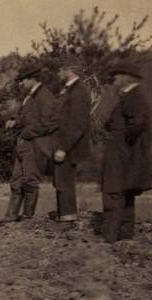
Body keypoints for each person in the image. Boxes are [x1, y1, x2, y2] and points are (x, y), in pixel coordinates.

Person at [0, 61, 61, 226]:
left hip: (36, 145)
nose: (21, 83)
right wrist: (14, 121)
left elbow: (48, 124)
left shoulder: (45, 96)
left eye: (23, 79)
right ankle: (11, 216)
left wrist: (25, 132)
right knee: (16, 180)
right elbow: (24, 116)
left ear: (32, 79)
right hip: (24, 144)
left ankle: (27, 217)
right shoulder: (30, 97)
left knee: (30, 180)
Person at [99, 61, 152, 243]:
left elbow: (136, 124)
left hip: (121, 153)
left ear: (124, 77)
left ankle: (110, 237)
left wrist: (123, 143)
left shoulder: (132, 97)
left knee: (113, 192)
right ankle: (125, 237)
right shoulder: (131, 96)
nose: (113, 80)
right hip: (125, 153)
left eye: (115, 76)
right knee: (126, 194)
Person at [51, 59, 92, 222]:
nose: (58, 73)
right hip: (63, 143)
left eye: (60, 70)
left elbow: (77, 125)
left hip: (69, 145)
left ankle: (68, 217)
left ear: (69, 70)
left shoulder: (78, 92)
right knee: (60, 180)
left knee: (65, 180)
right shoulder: (69, 91)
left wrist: (64, 148)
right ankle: (64, 215)